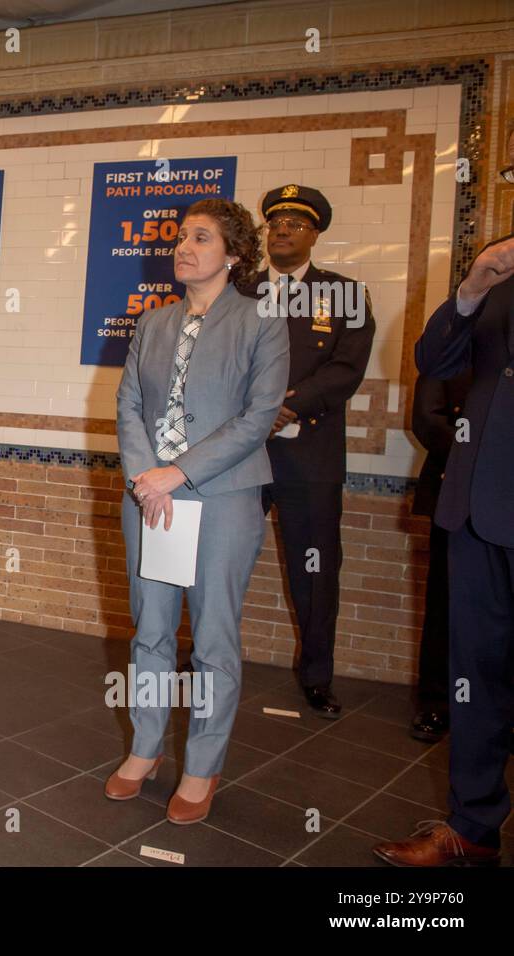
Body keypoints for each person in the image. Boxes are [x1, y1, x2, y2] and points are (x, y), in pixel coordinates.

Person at [110, 198, 288, 824]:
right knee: (151, 630)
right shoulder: (152, 322)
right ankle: (146, 747)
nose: (183, 246)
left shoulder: (262, 320)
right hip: (148, 499)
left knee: (212, 638)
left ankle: (202, 764)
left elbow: (258, 417)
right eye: (181, 236)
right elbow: (129, 403)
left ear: (235, 254)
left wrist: (178, 472)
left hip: (223, 497)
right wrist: (144, 477)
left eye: (201, 238)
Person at [373, 127, 514, 867]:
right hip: (478, 509)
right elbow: (433, 359)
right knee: (477, 677)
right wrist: (471, 287)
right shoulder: (499, 269)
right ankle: (472, 828)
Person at [244, 185, 375, 719]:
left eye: (296, 224)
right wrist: (254, 414)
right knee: (216, 561)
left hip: (310, 457)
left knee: (315, 571)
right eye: (276, 223)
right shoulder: (239, 289)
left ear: (315, 234)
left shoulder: (344, 294)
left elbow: (347, 368)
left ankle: (317, 677)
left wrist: (289, 407)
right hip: (240, 455)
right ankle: (201, 659)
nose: (282, 231)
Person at [408, 369, 471, 741]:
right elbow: (427, 418)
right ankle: (437, 703)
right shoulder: (453, 339)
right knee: (445, 602)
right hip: (456, 489)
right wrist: (478, 459)